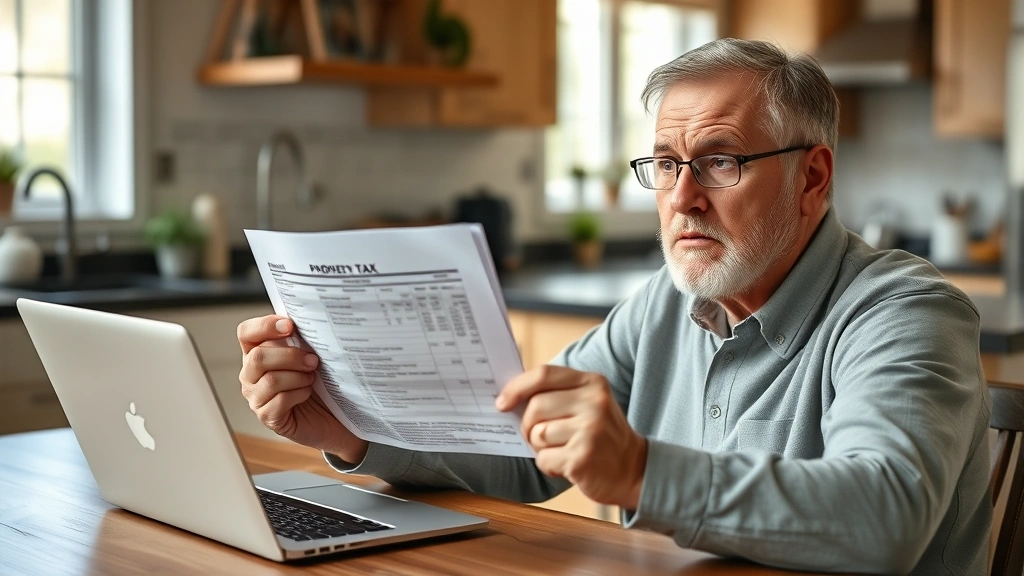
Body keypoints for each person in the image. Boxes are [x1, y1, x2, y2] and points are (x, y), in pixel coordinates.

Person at [236, 38, 990, 575]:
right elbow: (526, 451)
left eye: (721, 160)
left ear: (812, 178)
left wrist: (640, 471)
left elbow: (886, 518)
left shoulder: (907, 312)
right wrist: (352, 432)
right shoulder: (662, 305)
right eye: (665, 165)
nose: (684, 197)